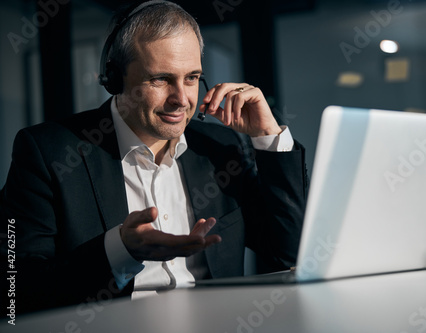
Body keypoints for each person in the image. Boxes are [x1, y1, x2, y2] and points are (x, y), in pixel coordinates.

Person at [0, 0, 307, 313]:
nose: (181, 99)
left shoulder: (220, 148)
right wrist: (120, 249)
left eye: (191, 78)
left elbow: (290, 254)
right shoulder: (46, 151)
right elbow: (15, 290)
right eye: (160, 79)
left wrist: (268, 136)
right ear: (115, 79)